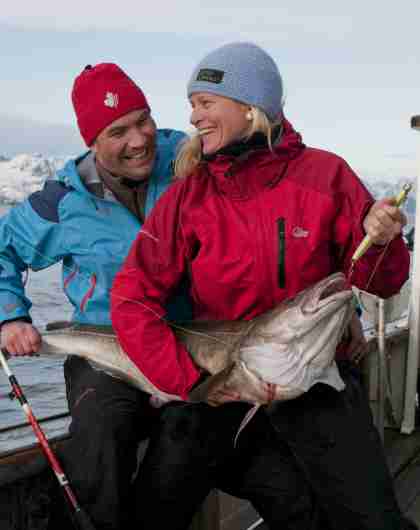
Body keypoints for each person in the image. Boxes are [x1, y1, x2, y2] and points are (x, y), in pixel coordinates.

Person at [111, 42, 415, 530]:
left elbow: (383, 282)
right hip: (219, 383)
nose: (194, 117)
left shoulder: (326, 175)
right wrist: (187, 382)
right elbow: (130, 296)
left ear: (251, 106)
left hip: (318, 376)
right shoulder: (189, 194)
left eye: (206, 103)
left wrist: (379, 242)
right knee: (153, 509)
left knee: (373, 520)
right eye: (191, 105)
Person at [0, 63, 190, 530]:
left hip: (190, 339)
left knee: (196, 437)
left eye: (143, 120)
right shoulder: (64, 200)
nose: (139, 139)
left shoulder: (192, 162)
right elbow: (3, 249)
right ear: (92, 141)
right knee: (100, 431)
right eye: (118, 131)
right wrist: (10, 316)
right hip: (106, 346)